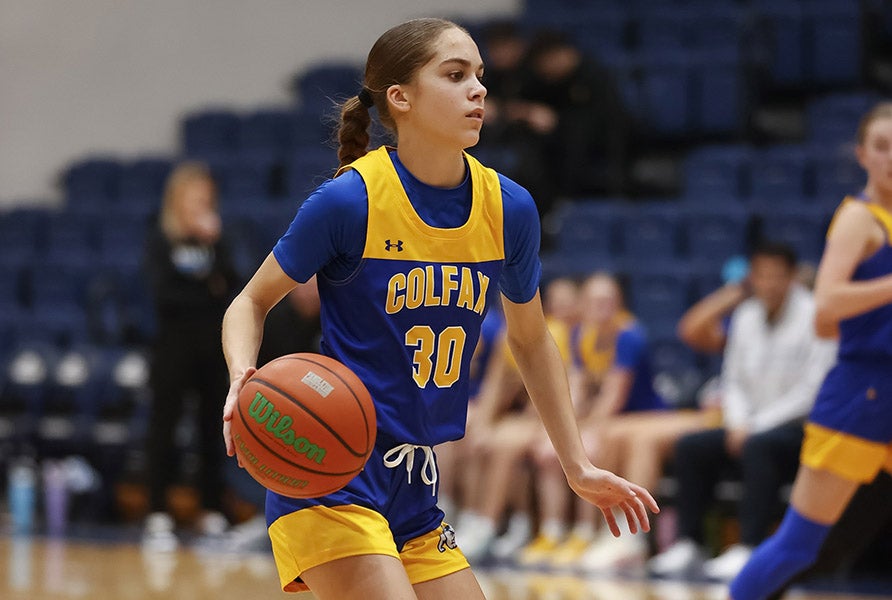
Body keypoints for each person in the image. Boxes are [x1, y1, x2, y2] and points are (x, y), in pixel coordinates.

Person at [219, 18, 658, 599]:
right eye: (455, 75)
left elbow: (530, 340)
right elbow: (249, 302)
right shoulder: (352, 199)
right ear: (400, 98)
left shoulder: (509, 208)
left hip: (415, 483)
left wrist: (575, 464)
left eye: (480, 75)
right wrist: (240, 379)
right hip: (331, 473)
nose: (478, 89)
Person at [730, 103, 892, 599]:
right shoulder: (858, 219)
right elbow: (825, 310)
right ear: (862, 155)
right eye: (882, 146)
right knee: (799, 545)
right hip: (861, 394)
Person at [649, 243, 837, 583]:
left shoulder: (815, 315)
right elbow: (732, 378)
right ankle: (689, 542)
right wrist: (738, 422)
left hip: (796, 430)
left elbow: (812, 390)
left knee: (759, 446)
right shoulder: (745, 315)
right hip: (746, 425)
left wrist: (756, 426)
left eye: (776, 275)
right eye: (761, 275)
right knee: (691, 446)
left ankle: (749, 545)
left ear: (792, 277)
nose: (768, 283)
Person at [521, 273, 667, 570]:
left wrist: (583, 434)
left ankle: (588, 532)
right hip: (611, 419)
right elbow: (574, 389)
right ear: (583, 305)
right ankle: (553, 531)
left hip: (641, 416)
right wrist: (557, 432)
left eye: (610, 301)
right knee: (555, 451)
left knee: (587, 451)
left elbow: (613, 398)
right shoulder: (579, 336)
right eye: (595, 301)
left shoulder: (629, 336)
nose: (603, 307)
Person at [141, 162, 241, 551]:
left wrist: (212, 251)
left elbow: (232, 286)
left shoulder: (217, 239)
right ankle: (157, 512)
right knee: (163, 429)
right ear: (178, 198)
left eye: (206, 196)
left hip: (210, 343)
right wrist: (205, 287)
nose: (202, 202)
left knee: (211, 428)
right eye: (194, 195)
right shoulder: (161, 238)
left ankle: (211, 509)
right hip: (172, 346)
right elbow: (163, 293)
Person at [457, 277, 581, 562]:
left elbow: (564, 392)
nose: (561, 309)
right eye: (556, 303)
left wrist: (537, 425)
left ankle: (488, 524)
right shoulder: (526, 333)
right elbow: (496, 385)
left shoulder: (574, 337)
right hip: (535, 416)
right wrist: (483, 424)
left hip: (560, 419)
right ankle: (473, 517)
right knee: (476, 437)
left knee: (505, 444)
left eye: (568, 303)